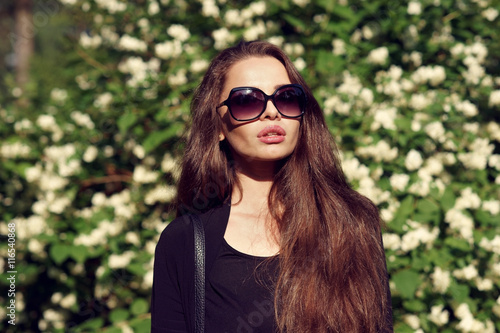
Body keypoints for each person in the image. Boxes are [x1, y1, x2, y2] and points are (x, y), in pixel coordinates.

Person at [151, 40, 393, 333]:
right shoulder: (185, 241)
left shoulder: (353, 223)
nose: (271, 112)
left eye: (286, 98)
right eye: (247, 101)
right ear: (216, 126)